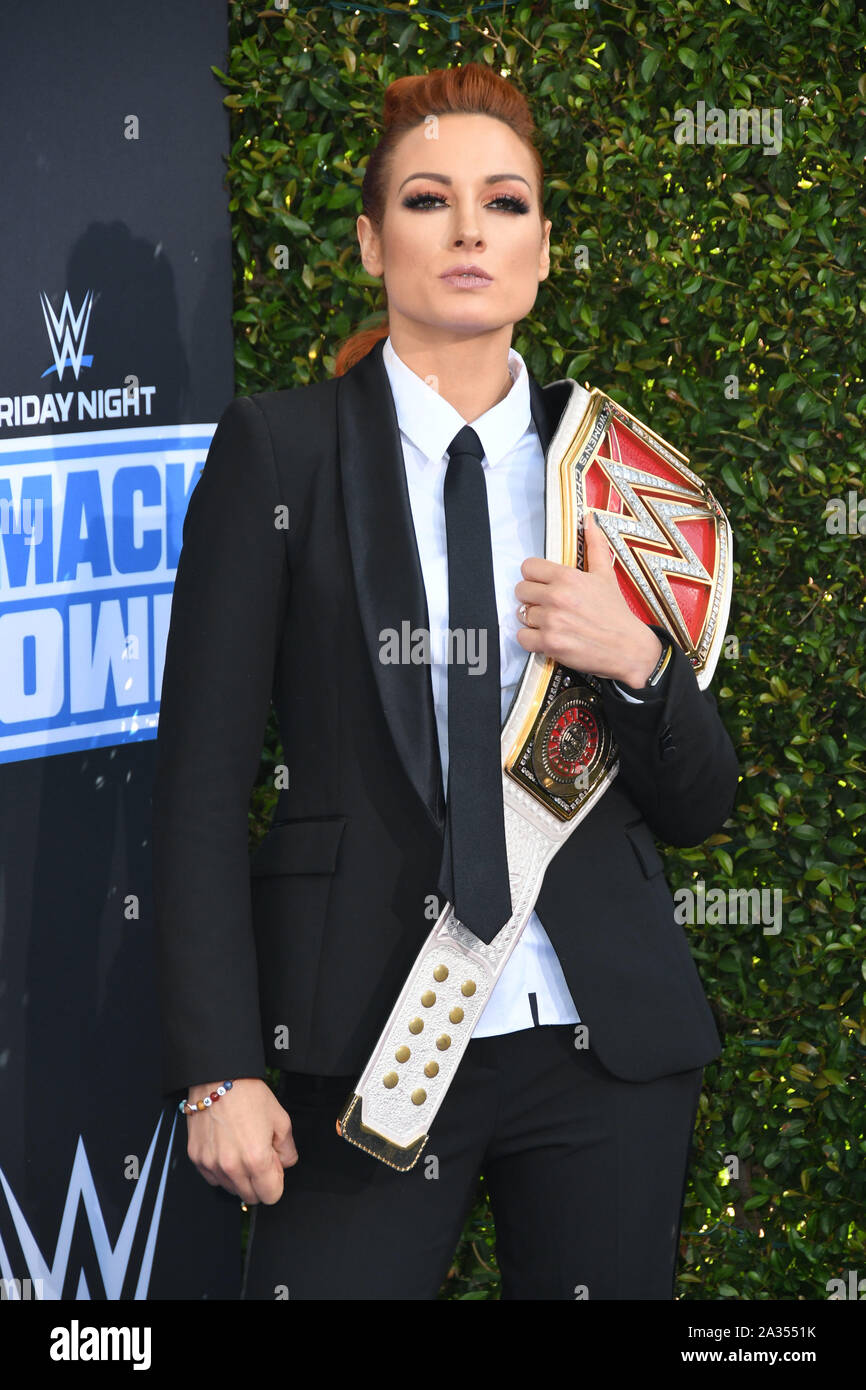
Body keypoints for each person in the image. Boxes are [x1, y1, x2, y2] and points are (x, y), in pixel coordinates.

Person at [151, 61, 739, 1301]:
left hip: (602, 1046)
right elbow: (200, 784)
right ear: (372, 241)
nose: (469, 230)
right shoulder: (281, 448)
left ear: (542, 248)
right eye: (428, 200)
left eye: (505, 202)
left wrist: (635, 660)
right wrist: (217, 1066)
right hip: (356, 1043)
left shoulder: (618, 474)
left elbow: (696, 803)